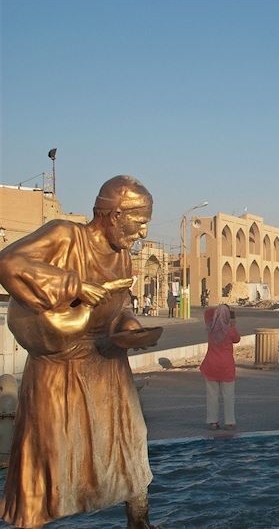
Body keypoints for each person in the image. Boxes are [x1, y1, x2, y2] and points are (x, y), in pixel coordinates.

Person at [0, 175, 159, 528]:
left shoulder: (123, 257)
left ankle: (140, 522)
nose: (143, 233)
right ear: (115, 214)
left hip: (107, 365)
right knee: (49, 455)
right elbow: (9, 263)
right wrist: (74, 286)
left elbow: (119, 306)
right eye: (139, 222)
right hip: (59, 368)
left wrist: (131, 328)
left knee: (130, 445)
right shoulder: (64, 235)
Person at [200, 304, 241, 430]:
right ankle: (229, 422)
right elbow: (237, 339)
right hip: (226, 367)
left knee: (212, 395)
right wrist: (232, 321)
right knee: (228, 396)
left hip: (211, 365)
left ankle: (213, 422)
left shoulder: (211, 328)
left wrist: (220, 309)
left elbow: (207, 312)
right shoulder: (230, 330)